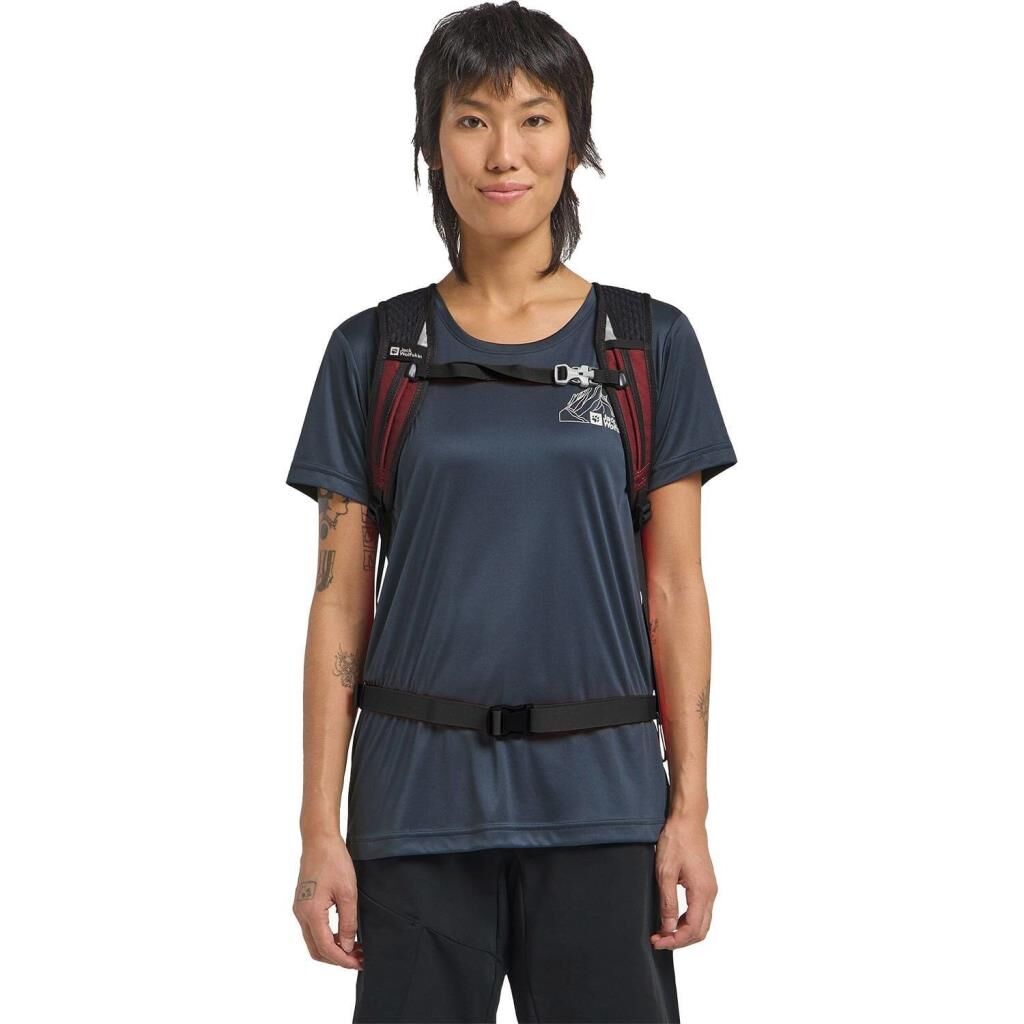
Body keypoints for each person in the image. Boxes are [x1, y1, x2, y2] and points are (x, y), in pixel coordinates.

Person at [286, 3, 738, 1021]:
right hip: (416, 808)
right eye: (471, 119)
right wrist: (319, 828)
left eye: (535, 118)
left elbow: (674, 590)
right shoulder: (373, 353)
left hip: (602, 805)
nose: (504, 153)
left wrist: (690, 809)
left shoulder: (646, 345)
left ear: (574, 140)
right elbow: (338, 602)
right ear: (430, 143)